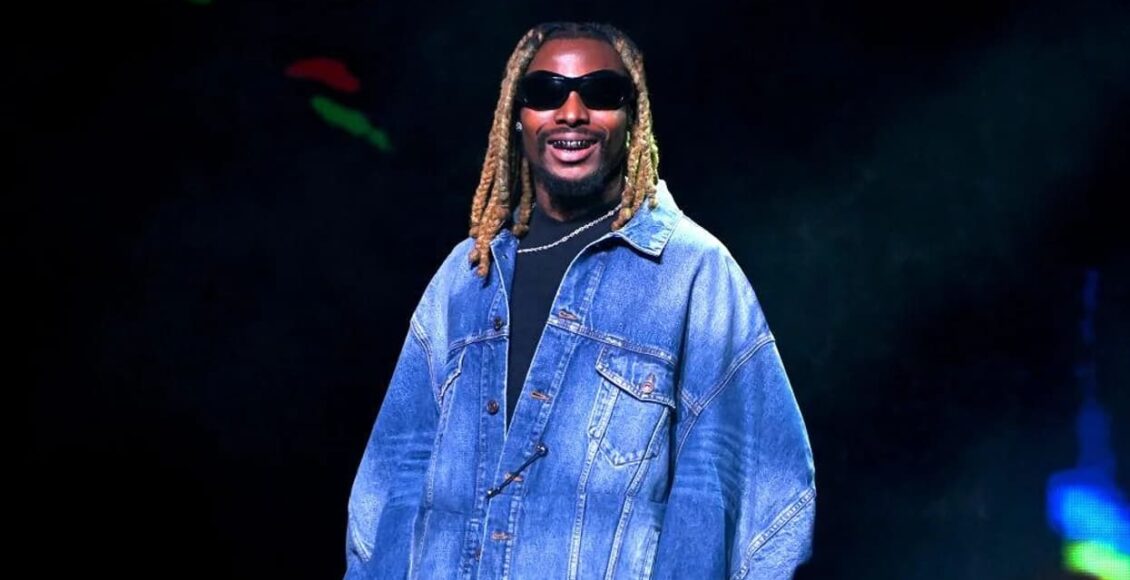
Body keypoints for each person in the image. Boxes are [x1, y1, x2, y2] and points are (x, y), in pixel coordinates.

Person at [345, 21, 815, 579]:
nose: (572, 112)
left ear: (632, 118)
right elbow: (390, 486)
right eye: (546, 92)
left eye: (601, 93)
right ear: (517, 116)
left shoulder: (693, 274)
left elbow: (766, 500)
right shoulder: (466, 276)